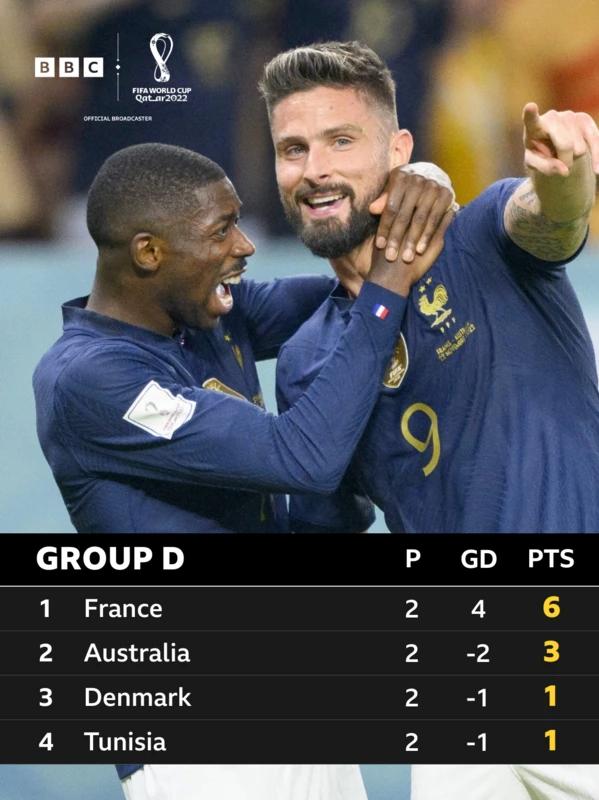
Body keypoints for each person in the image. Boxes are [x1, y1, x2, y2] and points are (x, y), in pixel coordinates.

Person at [259, 41, 599, 799]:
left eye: (341, 140)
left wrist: (565, 180)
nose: (316, 170)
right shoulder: (307, 361)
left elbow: (549, 221)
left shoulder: (479, 239)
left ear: (398, 148)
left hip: (594, 658)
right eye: (292, 149)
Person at [32, 141, 453, 800]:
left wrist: (419, 189)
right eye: (220, 231)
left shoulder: (211, 317)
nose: (246, 246)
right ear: (149, 252)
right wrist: (389, 281)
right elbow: (301, 457)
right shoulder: (91, 381)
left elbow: (350, 289)